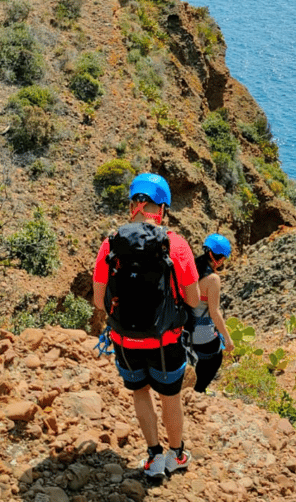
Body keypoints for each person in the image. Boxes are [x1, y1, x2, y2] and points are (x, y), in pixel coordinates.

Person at [92, 173, 200, 479]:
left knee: (140, 393)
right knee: (170, 397)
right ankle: (176, 455)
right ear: (162, 209)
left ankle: (153, 457)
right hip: (165, 342)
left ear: (132, 206)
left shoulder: (110, 244)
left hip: (124, 340)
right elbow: (192, 299)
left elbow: (99, 302)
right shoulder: (175, 245)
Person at [189, 233, 236, 394]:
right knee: (215, 359)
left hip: (184, 327)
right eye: (223, 258)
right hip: (201, 332)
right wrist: (228, 339)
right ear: (218, 258)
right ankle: (198, 391)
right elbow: (215, 313)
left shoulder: (192, 266)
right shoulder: (213, 279)